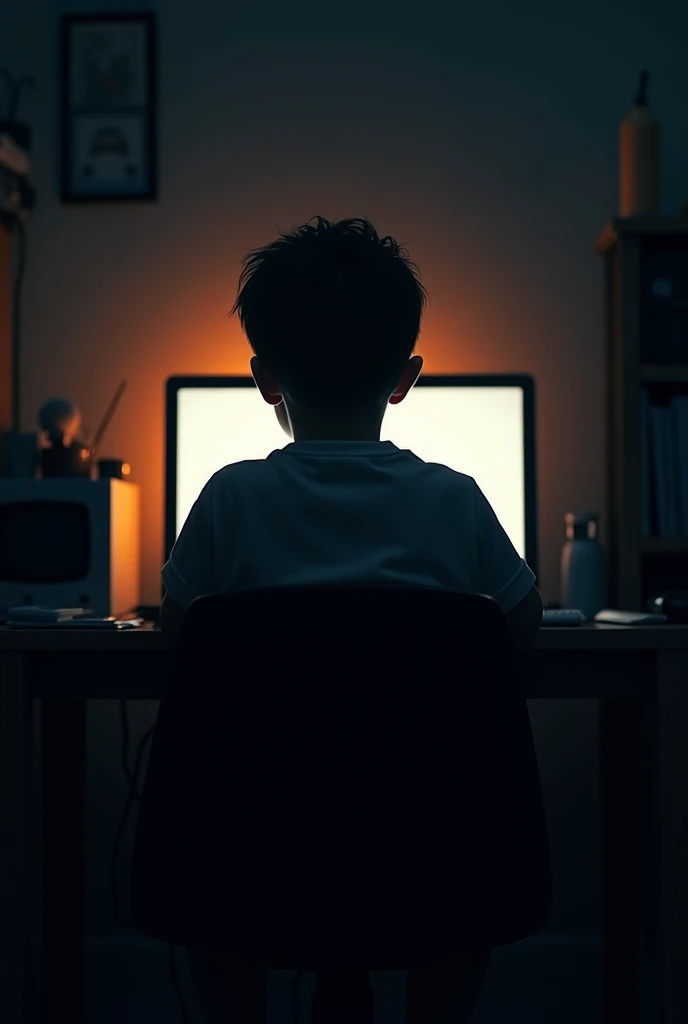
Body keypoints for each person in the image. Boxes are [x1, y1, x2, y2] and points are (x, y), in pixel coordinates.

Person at [160, 214, 542, 1022]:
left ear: (264, 378)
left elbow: (181, 629)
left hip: (259, 850)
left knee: (217, 884)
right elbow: (523, 622)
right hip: (424, 851)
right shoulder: (453, 496)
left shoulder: (230, 496)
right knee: (459, 876)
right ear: (406, 377)